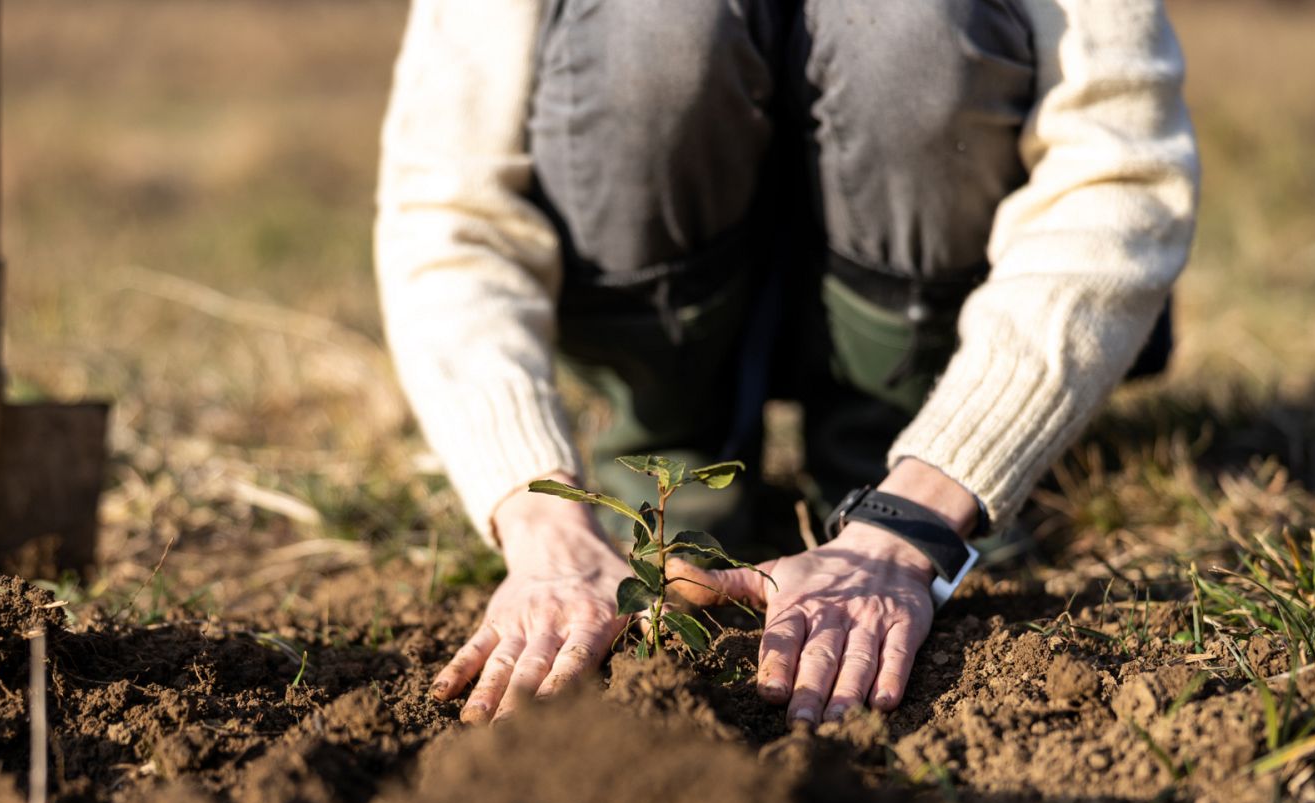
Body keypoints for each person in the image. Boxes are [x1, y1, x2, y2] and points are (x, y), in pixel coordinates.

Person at [375, 0, 1199, 726]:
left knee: (907, 22)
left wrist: (918, 513)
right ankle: (668, 447)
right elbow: (447, 211)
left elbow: (1119, 169)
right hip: (653, 262)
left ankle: (893, 438)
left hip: (928, 270)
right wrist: (540, 520)